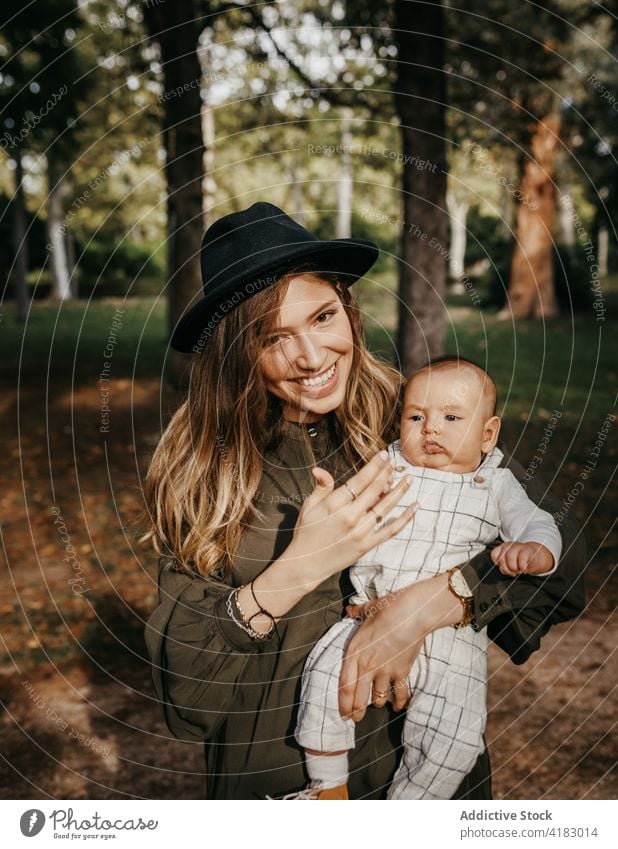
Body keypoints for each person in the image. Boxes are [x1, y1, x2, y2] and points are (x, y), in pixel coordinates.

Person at [142, 201, 586, 801]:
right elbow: (186, 698)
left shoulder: (410, 425)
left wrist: (435, 603)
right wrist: (302, 565)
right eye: (275, 337)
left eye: (323, 317)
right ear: (235, 352)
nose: (312, 356)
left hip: (425, 776)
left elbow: (563, 561)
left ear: (347, 312)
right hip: (280, 788)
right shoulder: (205, 476)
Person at [293, 357, 562, 800]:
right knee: (326, 678)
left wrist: (534, 550)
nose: (430, 428)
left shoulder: (495, 483)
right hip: (369, 617)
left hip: (450, 635)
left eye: (452, 417)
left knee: (456, 739)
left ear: (488, 434)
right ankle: (327, 785)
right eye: (416, 416)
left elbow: (537, 522)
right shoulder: (388, 466)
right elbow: (346, 510)